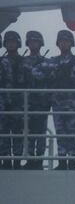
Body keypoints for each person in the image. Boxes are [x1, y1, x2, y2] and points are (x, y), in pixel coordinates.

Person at [33, 29, 75, 170]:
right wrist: (50, 76)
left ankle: (72, 160)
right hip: (57, 102)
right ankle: (62, 160)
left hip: (73, 102)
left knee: (73, 132)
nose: (63, 43)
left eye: (66, 41)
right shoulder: (52, 62)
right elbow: (35, 71)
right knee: (60, 132)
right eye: (61, 41)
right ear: (58, 43)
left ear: (71, 43)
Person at [21, 31, 50, 170]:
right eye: (31, 41)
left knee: (41, 131)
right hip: (26, 102)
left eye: (36, 41)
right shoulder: (22, 61)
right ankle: (30, 158)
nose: (33, 44)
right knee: (28, 131)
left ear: (40, 43)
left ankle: (39, 158)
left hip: (42, 102)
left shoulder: (46, 62)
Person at [0, 31, 25, 169]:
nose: (11, 44)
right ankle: (5, 160)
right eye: (8, 42)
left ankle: (16, 161)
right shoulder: (1, 62)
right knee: (2, 132)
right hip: (3, 102)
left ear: (18, 43)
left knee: (17, 133)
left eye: (13, 42)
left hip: (19, 102)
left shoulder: (25, 62)